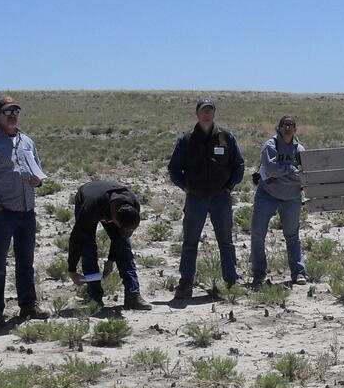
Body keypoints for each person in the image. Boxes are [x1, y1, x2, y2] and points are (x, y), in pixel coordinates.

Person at [0, 96, 48, 323]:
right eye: (8, 112)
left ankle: (28, 305)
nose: (13, 115)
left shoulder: (27, 141)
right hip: (2, 213)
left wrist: (38, 181)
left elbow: (38, 169)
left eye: (16, 111)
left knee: (26, 262)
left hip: (27, 211)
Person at [167, 98, 244, 299]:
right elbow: (174, 168)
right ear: (197, 113)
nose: (206, 114)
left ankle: (231, 281)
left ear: (214, 113)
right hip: (196, 198)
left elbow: (239, 165)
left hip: (221, 198)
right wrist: (186, 187)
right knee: (190, 242)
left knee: (226, 242)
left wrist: (229, 187)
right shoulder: (186, 139)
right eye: (203, 110)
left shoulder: (227, 136)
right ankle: (185, 284)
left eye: (210, 110)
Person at [66, 181, 151, 310]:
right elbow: (76, 239)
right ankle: (95, 297)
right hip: (91, 199)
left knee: (125, 249)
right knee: (88, 248)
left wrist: (111, 260)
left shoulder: (133, 205)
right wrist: (72, 270)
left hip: (111, 207)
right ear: (114, 220)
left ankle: (133, 296)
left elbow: (120, 238)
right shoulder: (90, 207)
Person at [249, 116, 306, 286]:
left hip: (292, 197)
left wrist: (284, 172)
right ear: (279, 128)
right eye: (284, 125)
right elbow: (271, 169)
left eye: (291, 125)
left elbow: (302, 175)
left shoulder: (300, 149)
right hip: (267, 194)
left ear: (295, 129)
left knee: (292, 236)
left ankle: (298, 272)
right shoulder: (270, 145)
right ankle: (258, 273)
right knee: (257, 234)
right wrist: (290, 170)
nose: (287, 127)